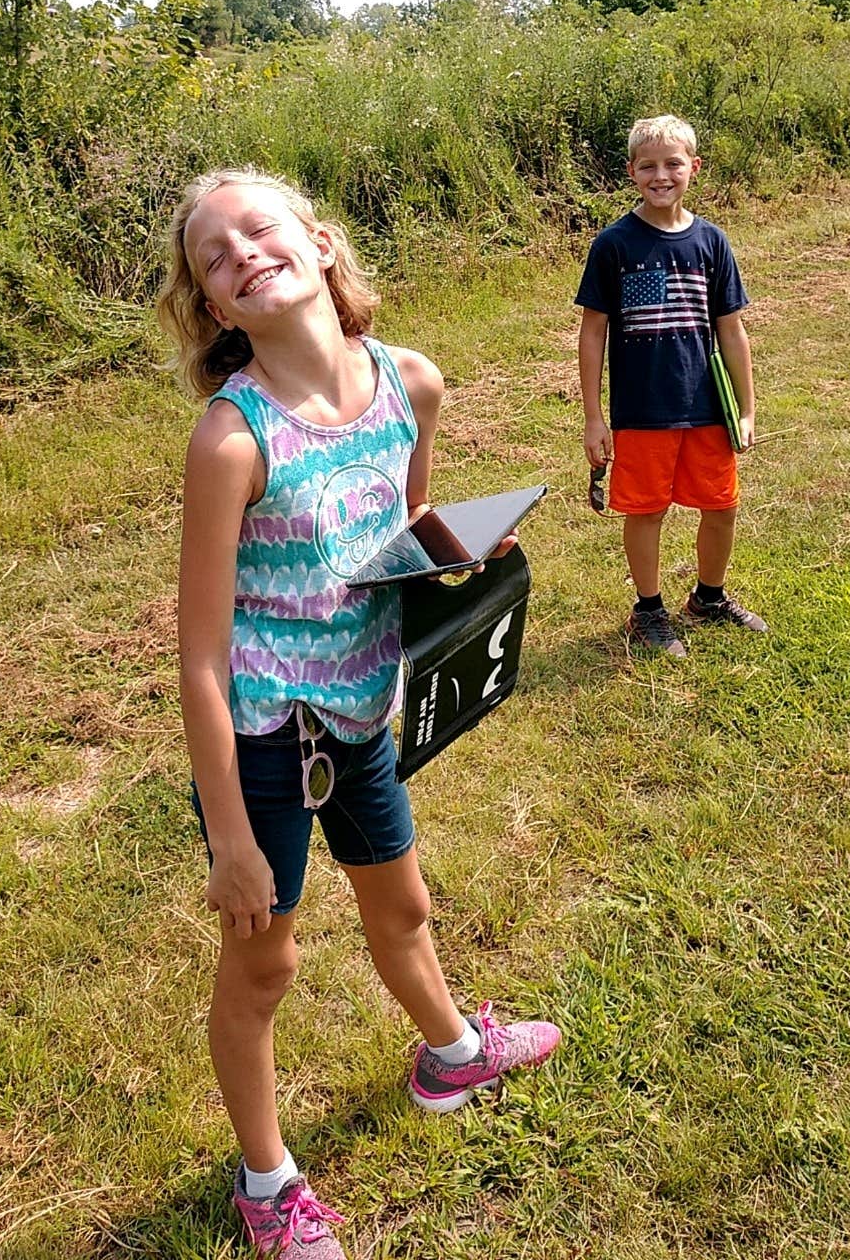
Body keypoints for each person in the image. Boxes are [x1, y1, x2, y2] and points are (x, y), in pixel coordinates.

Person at [157, 167, 560, 1258]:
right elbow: (198, 656)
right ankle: (268, 1180)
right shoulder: (232, 441)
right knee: (265, 962)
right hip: (265, 742)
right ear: (217, 308)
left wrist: (460, 546)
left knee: (407, 904)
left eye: (258, 228)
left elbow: (410, 516)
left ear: (320, 242)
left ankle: (450, 1053)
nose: (241, 251)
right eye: (214, 256)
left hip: (359, 713)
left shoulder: (409, 381)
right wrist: (231, 839)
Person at [577, 115, 767, 658]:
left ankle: (708, 597)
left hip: (708, 407)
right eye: (649, 165)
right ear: (633, 172)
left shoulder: (712, 241)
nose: (662, 175)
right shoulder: (614, 244)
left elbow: (732, 329)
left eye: (673, 164)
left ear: (694, 168)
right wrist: (593, 417)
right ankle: (649, 610)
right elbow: (593, 333)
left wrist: (746, 410)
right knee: (647, 510)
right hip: (642, 412)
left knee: (722, 505)